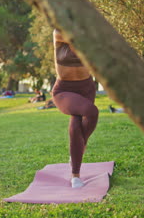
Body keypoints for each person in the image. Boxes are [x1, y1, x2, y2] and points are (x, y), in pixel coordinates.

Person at [51, 29, 99, 188]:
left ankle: (75, 175)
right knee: (91, 111)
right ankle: (81, 147)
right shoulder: (59, 32)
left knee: (76, 125)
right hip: (64, 91)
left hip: (87, 88)